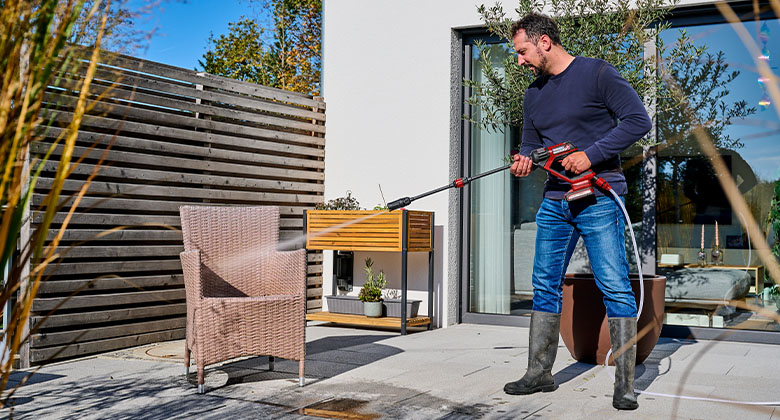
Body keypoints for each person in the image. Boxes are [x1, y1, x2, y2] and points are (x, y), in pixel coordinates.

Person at [504, 13, 651, 411]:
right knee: (543, 284)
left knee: (614, 285)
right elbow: (531, 146)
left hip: (600, 196)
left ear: (545, 42)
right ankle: (539, 373)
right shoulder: (533, 94)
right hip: (555, 201)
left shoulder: (598, 74)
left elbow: (639, 121)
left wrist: (591, 155)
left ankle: (624, 385)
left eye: (522, 52)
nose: (519, 60)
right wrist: (523, 161)